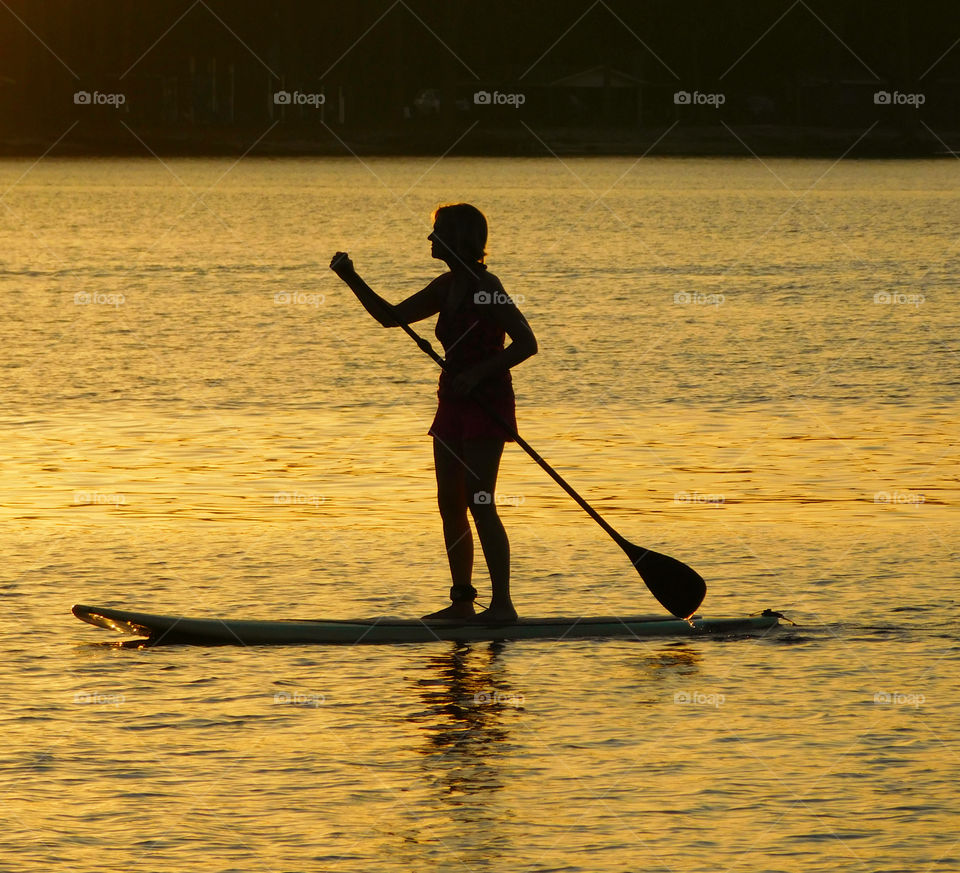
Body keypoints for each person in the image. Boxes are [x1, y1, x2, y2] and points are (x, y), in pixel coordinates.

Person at [330, 203, 537, 623]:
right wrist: (351, 278)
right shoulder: (445, 286)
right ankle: (463, 601)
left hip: (486, 402)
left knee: (481, 501)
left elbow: (526, 342)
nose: (429, 239)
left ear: (458, 239)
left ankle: (502, 606)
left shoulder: (486, 285)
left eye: (437, 231)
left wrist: (479, 372)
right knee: (449, 503)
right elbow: (391, 318)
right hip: (451, 401)